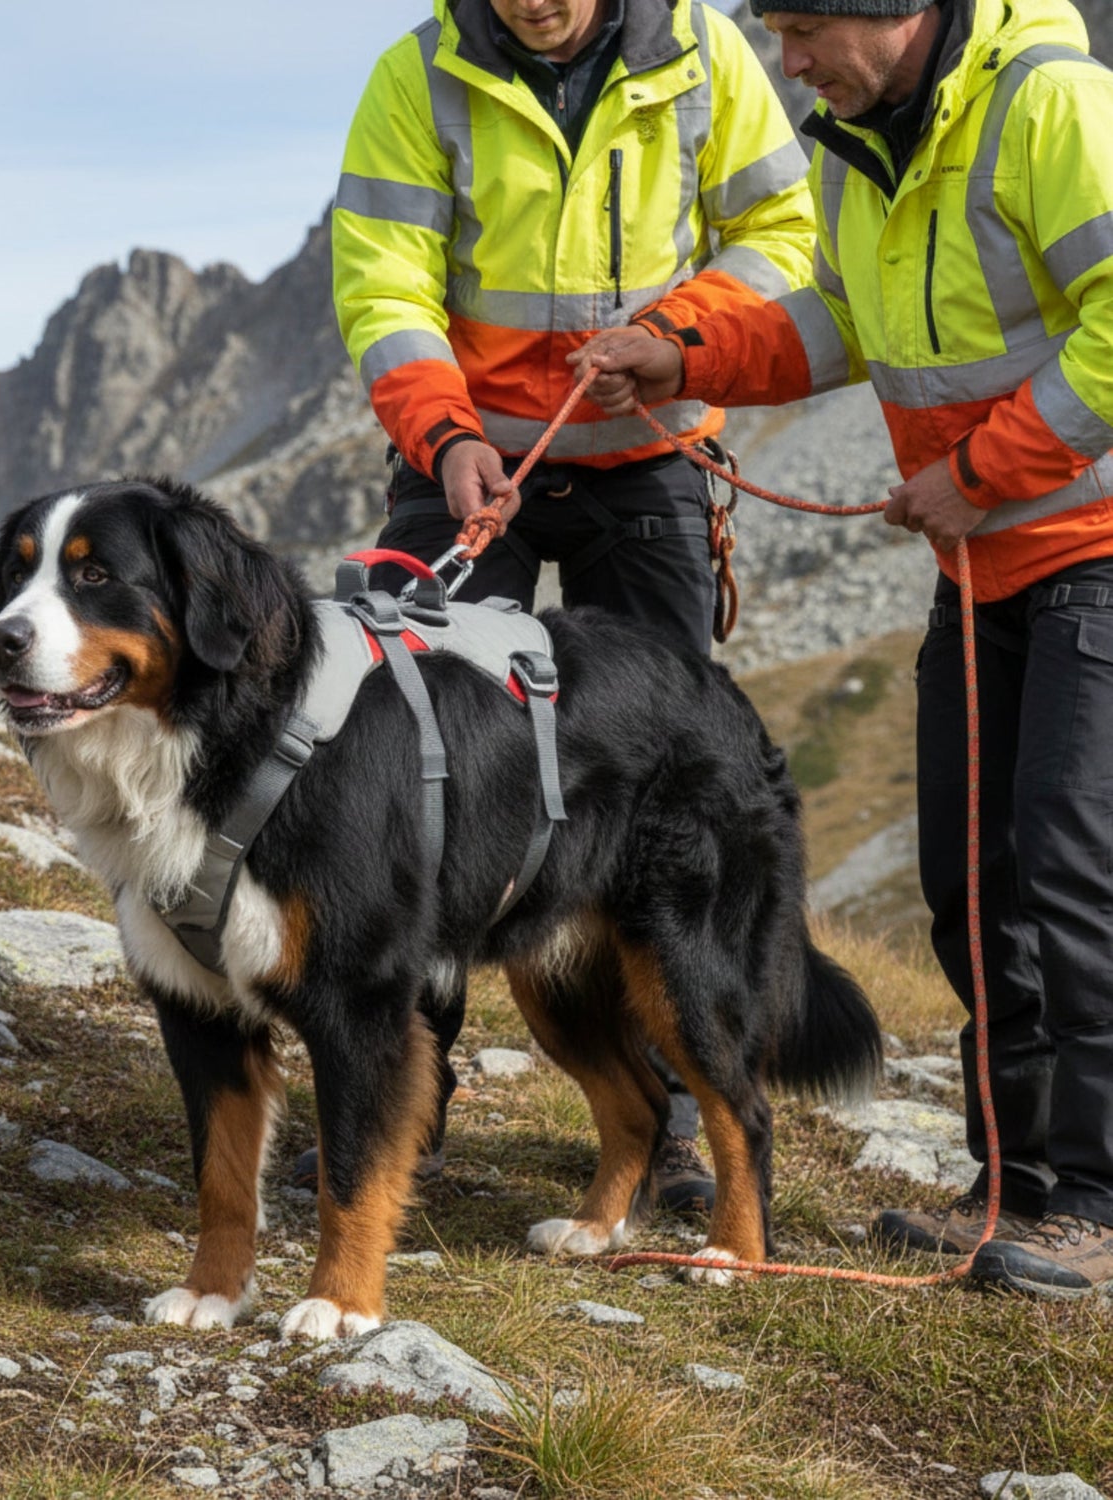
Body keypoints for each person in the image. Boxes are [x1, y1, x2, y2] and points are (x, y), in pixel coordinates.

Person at [575, 0, 1113, 1297]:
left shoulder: (1051, 104)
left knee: (1075, 872)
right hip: (978, 564)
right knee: (970, 882)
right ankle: (1013, 1190)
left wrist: (986, 469)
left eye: (805, 30)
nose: (790, 62)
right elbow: (833, 324)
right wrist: (680, 356)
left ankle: (1102, 1207)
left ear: (902, 11)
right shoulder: (857, 142)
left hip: (1090, 549)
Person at [327, 0, 818, 1216]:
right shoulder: (416, 75)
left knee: (659, 785)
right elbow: (385, 283)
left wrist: (673, 333)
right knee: (418, 773)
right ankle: (404, 1108)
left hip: (652, 451)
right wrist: (442, 438)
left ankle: (678, 1119)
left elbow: (784, 234)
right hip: (467, 458)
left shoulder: (709, 53)